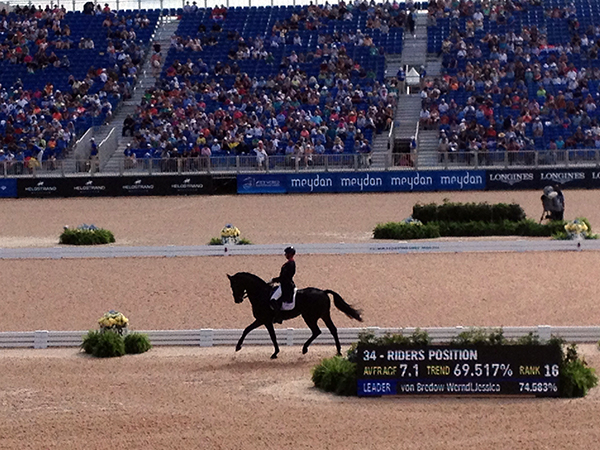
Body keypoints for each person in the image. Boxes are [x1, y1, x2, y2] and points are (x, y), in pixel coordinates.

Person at [270, 246, 296, 323]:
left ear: (290, 254)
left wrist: (274, 280)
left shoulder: (290, 264)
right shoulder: (289, 263)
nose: (285, 255)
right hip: (285, 283)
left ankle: (279, 317)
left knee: (273, 299)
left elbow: (285, 277)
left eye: (287, 253)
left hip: (286, 285)